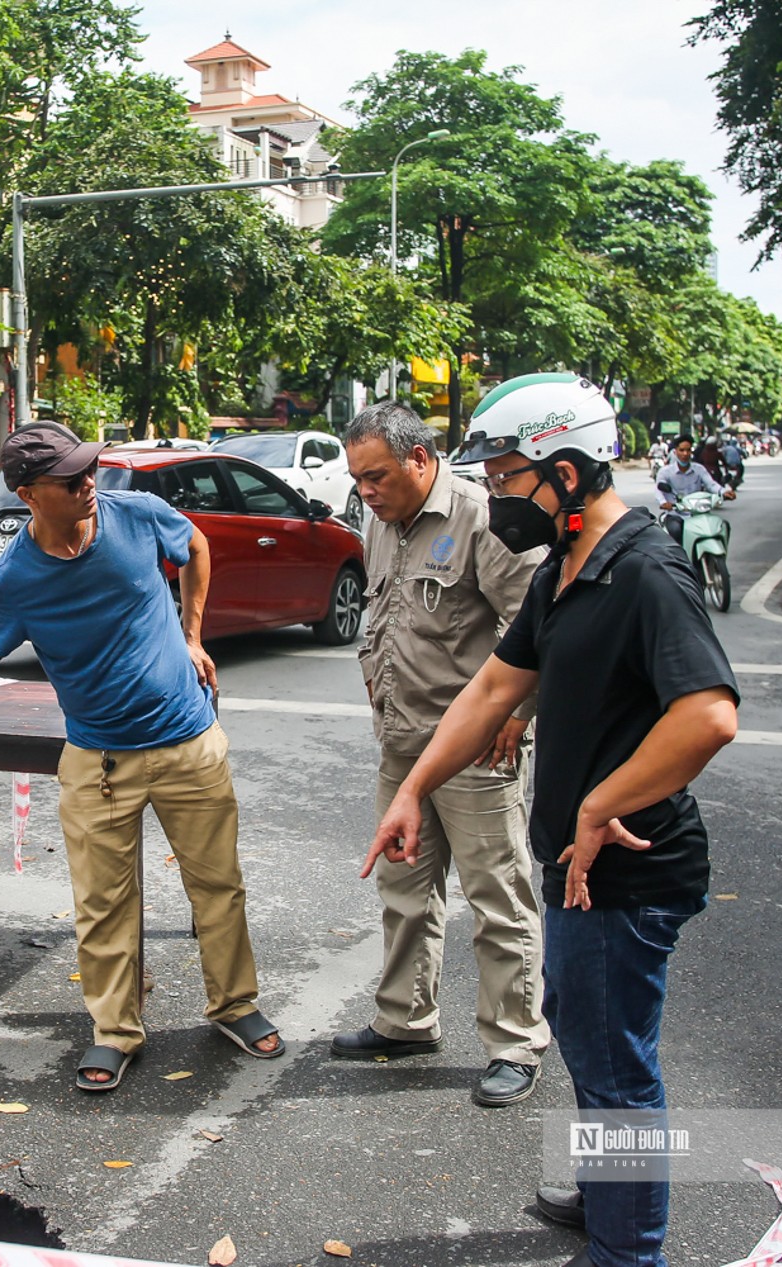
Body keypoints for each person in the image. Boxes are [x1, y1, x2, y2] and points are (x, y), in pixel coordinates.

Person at [365, 373, 739, 1267]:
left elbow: (710, 714)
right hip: (578, 861)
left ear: (564, 473)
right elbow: (495, 685)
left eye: (505, 477)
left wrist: (605, 800)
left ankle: (628, 1247)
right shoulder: (571, 569)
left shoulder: (645, 571)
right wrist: (415, 786)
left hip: (626, 868)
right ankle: (608, 1194)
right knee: (587, 1037)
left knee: (618, 1072)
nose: (494, 497)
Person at [0, 422, 282, 1092]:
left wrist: (193, 632)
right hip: (99, 759)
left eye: (90, 470)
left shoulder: (135, 516)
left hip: (188, 738)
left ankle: (234, 1003)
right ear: (27, 494)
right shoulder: (16, 575)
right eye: (70, 479)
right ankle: (115, 1027)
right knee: (104, 904)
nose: (89, 484)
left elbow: (193, 544)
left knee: (217, 885)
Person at [337, 401, 550, 1108]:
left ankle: (516, 1041)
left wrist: (517, 714)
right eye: (357, 479)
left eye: (377, 476)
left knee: (498, 895)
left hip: (473, 749)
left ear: (420, 459)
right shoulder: (380, 519)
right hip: (402, 744)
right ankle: (405, 1018)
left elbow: (536, 622)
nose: (365, 492)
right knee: (403, 889)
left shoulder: (483, 517)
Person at [655, 435, 734, 544]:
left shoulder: (699, 469)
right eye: (681, 450)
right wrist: (664, 503)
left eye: (688, 450)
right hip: (675, 514)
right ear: (675, 452)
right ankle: (679, 559)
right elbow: (659, 490)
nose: (685, 454)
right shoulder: (665, 472)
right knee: (676, 531)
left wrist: (724, 492)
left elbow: (711, 485)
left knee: (722, 526)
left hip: (697, 513)